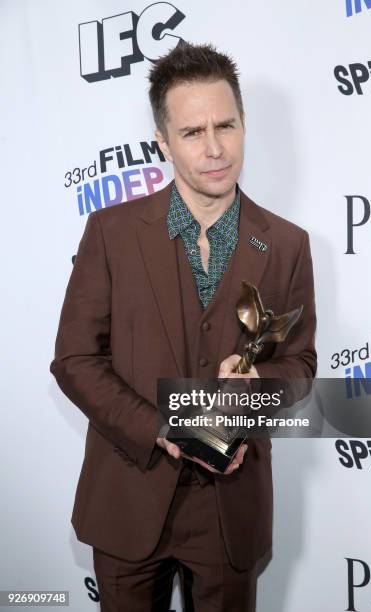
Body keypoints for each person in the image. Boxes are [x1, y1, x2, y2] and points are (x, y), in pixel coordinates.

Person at [50, 41, 317, 611]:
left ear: (245, 124)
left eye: (226, 125)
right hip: (128, 492)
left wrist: (259, 393)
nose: (215, 148)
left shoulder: (288, 244)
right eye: (193, 132)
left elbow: (300, 365)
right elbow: (74, 359)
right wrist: (158, 428)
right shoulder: (111, 232)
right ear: (163, 142)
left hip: (230, 507)